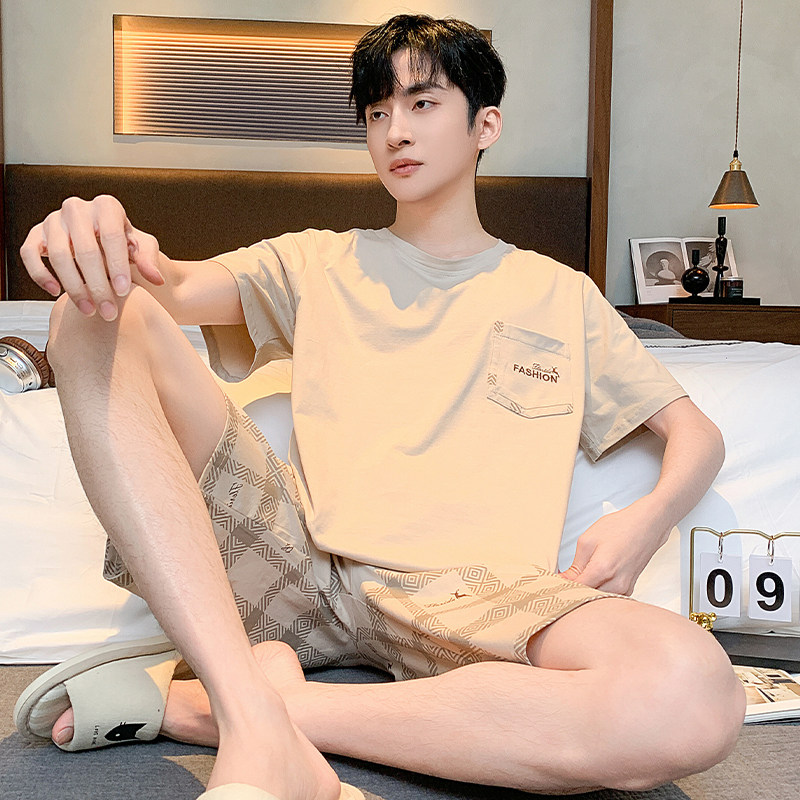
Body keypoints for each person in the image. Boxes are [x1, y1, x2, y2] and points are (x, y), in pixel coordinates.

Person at [15, 14, 744, 800]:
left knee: (691, 695)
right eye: (375, 112)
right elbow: (172, 284)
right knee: (94, 312)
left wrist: (644, 521)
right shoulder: (316, 260)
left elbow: (695, 435)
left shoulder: (561, 294)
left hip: (474, 594)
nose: (395, 130)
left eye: (423, 103)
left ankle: (238, 710)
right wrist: (102, 239)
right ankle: (255, 710)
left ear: (485, 124)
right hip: (300, 565)